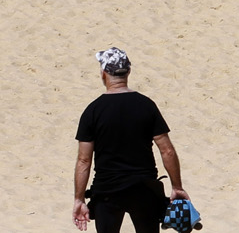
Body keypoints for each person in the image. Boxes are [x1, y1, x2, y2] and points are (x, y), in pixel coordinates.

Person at [73, 47, 188, 233]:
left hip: (107, 190)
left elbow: (84, 160)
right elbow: (167, 150)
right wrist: (177, 186)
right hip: (144, 188)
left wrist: (79, 199)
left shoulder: (92, 111)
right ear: (128, 72)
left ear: (103, 74)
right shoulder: (146, 105)